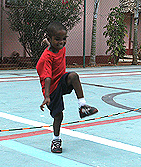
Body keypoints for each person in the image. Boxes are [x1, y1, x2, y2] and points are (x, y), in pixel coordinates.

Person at [36, 21, 98, 153]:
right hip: (51, 88)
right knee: (58, 116)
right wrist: (47, 96)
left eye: (64, 39)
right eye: (57, 39)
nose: (61, 42)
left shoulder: (60, 48)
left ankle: (82, 106)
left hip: (61, 81)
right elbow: (47, 77)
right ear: (50, 39)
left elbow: (55, 47)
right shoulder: (47, 57)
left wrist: (48, 43)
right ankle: (56, 140)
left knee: (73, 76)